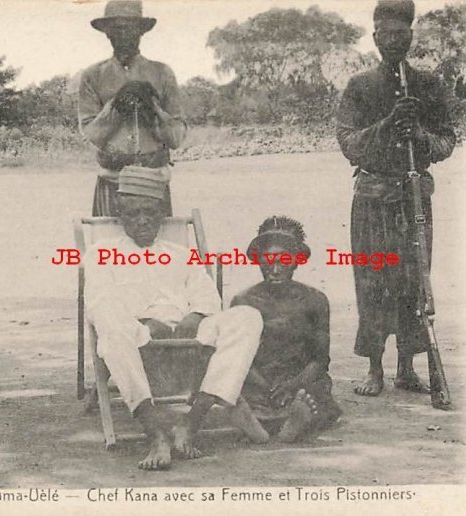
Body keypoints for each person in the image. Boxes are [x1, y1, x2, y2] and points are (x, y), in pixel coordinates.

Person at [84, 168, 268, 470]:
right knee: (108, 320)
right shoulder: (101, 253)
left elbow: (208, 299)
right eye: (133, 213)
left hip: (190, 348)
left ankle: (192, 421)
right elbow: (100, 305)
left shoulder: (180, 253)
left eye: (150, 213)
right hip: (140, 349)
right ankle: (154, 432)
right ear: (120, 214)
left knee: (247, 317)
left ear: (161, 214)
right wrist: (145, 325)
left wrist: (193, 319)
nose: (143, 220)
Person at [335, 0, 455, 397]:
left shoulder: (429, 86)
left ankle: (406, 367)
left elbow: (446, 140)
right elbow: (349, 144)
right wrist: (387, 125)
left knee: (413, 282)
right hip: (373, 200)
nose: (392, 41)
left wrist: (419, 134)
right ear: (375, 38)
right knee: (373, 281)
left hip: (414, 202)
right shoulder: (360, 86)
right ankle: (374, 368)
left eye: (400, 34)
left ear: (410, 36)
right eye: (385, 34)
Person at [232, 217, 342, 442]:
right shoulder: (243, 300)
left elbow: (320, 360)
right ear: (258, 261)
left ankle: (280, 421)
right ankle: (272, 423)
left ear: (296, 261)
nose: (275, 270)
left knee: (315, 394)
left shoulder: (315, 300)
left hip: (299, 379)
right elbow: (237, 358)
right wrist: (265, 384)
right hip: (258, 379)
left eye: (284, 261)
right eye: (268, 262)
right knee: (236, 392)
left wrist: (294, 384)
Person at [78, 0, 186, 216]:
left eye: (131, 27)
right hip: (112, 179)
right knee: (107, 247)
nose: (124, 34)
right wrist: (117, 106)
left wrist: (153, 112)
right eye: (117, 28)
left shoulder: (162, 73)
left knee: (157, 247)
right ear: (107, 34)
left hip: (153, 181)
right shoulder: (93, 76)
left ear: (141, 32)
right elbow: (91, 134)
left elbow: (177, 137)